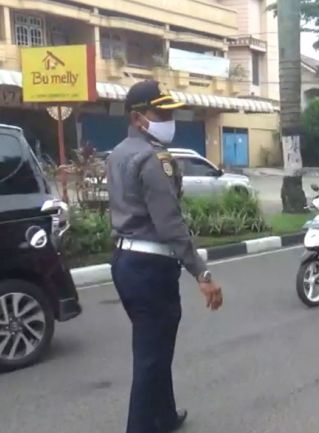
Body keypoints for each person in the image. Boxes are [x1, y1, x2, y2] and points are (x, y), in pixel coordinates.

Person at [106, 80, 223, 433]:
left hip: (126, 263)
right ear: (138, 117)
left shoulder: (117, 153)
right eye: (162, 113)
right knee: (151, 356)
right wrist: (202, 275)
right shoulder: (153, 159)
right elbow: (170, 223)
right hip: (150, 267)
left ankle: (165, 416)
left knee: (155, 347)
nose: (169, 119)